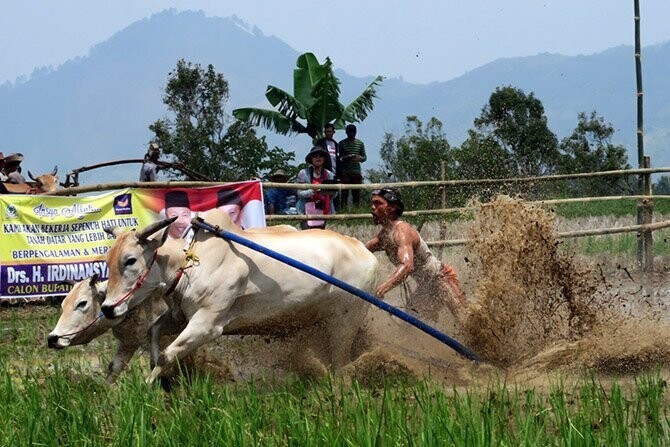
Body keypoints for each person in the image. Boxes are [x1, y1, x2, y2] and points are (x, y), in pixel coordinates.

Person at [365, 187, 467, 321]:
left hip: (441, 278)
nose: (372, 208)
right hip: (425, 288)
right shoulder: (384, 235)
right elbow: (363, 250)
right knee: (409, 327)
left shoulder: (402, 232)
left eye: (378, 203)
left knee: (465, 321)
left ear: (392, 208)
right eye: (372, 203)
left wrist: (384, 288)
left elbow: (407, 266)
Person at [296, 146, 337, 230]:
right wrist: (313, 191)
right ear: (311, 159)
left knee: (321, 235)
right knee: (307, 235)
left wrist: (327, 192)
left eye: (320, 156)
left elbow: (334, 195)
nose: (318, 158)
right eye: (315, 156)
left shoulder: (329, 174)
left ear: (324, 159)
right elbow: (299, 193)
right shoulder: (303, 173)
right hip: (306, 210)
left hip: (323, 208)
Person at [338, 124, 366, 209]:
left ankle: (356, 210)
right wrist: (347, 157)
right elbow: (339, 158)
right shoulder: (342, 144)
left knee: (356, 193)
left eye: (353, 132)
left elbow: (364, 157)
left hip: (356, 171)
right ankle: (343, 210)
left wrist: (360, 158)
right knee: (344, 193)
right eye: (350, 132)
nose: (351, 134)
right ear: (346, 133)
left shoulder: (360, 143)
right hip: (345, 172)